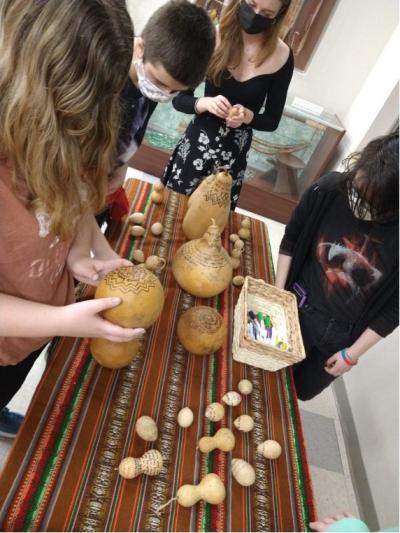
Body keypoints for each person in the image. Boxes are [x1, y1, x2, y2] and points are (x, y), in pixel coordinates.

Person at [0, 0, 145, 437]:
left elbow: (73, 199)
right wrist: (65, 321)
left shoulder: (68, 123)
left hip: (31, 334)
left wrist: (83, 249)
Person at [275, 133, 399, 401]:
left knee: (299, 392)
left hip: (338, 334)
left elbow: (393, 310)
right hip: (294, 303)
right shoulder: (330, 190)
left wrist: (351, 355)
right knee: (265, 376)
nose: (358, 201)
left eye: (372, 200)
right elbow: (292, 238)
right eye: (357, 187)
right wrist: (277, 292)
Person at [161, 0, 294, 209]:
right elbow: (178, 98)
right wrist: (204, 103)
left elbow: (271, 120)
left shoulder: (283, 56)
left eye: (267, 14)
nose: (256, 15)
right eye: (251, 4)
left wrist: (248, 116)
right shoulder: (212, 37)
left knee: (211, 228)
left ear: (278, 16)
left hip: (232, 161)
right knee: (172, 212)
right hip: (196, 148)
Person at [99, 0, 216, 227]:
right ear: (140, 48)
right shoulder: (107, 77)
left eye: (174, 91)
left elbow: (131, 133)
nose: (163, 94)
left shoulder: (149, 86)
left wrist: (121, 168)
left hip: (106, 186)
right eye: (160, 82)